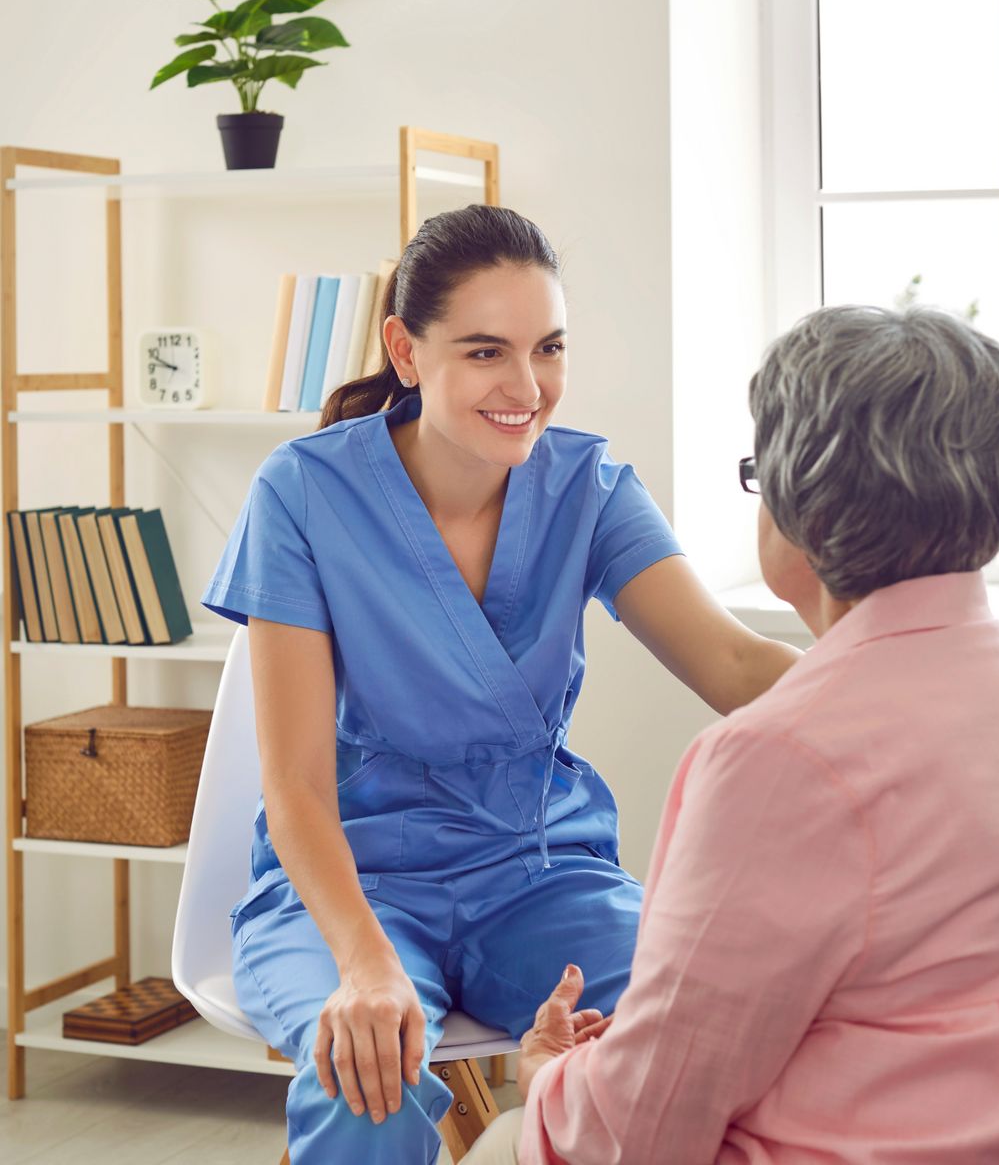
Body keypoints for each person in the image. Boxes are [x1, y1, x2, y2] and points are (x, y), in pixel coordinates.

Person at [466, 304, 999, 1164]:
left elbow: (640, 1129)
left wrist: (549, 1077)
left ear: (799, 506)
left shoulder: (777, 758)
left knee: (510, 1138)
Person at [200, 204, 800, 1164]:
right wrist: (363, 965)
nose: (528, 387)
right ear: (405, 349)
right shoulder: (302, 492)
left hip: (539, 877)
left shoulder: (590, 487)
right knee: (370, 1079)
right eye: (485, 352)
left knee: (712, 1021)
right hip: (353, 887)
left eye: (548, 348)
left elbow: (731, 663)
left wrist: (911, 694)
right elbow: (299, 788)